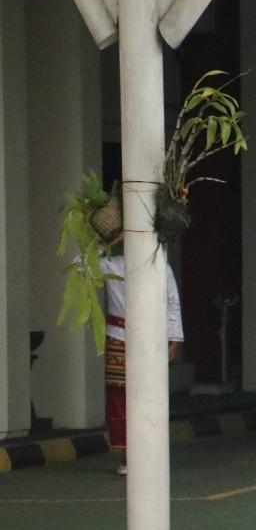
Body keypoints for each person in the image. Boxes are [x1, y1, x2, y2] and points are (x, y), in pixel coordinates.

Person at [90, 198, 184, 476]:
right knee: (120, 397)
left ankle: (151, 452)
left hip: (151, 338)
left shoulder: (159, 266)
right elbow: (81, 266)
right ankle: (129, 455)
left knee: (150, 394)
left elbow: (172, 303)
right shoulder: (111, 265)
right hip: (119, 337)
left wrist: (174, 339)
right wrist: (101, 242)